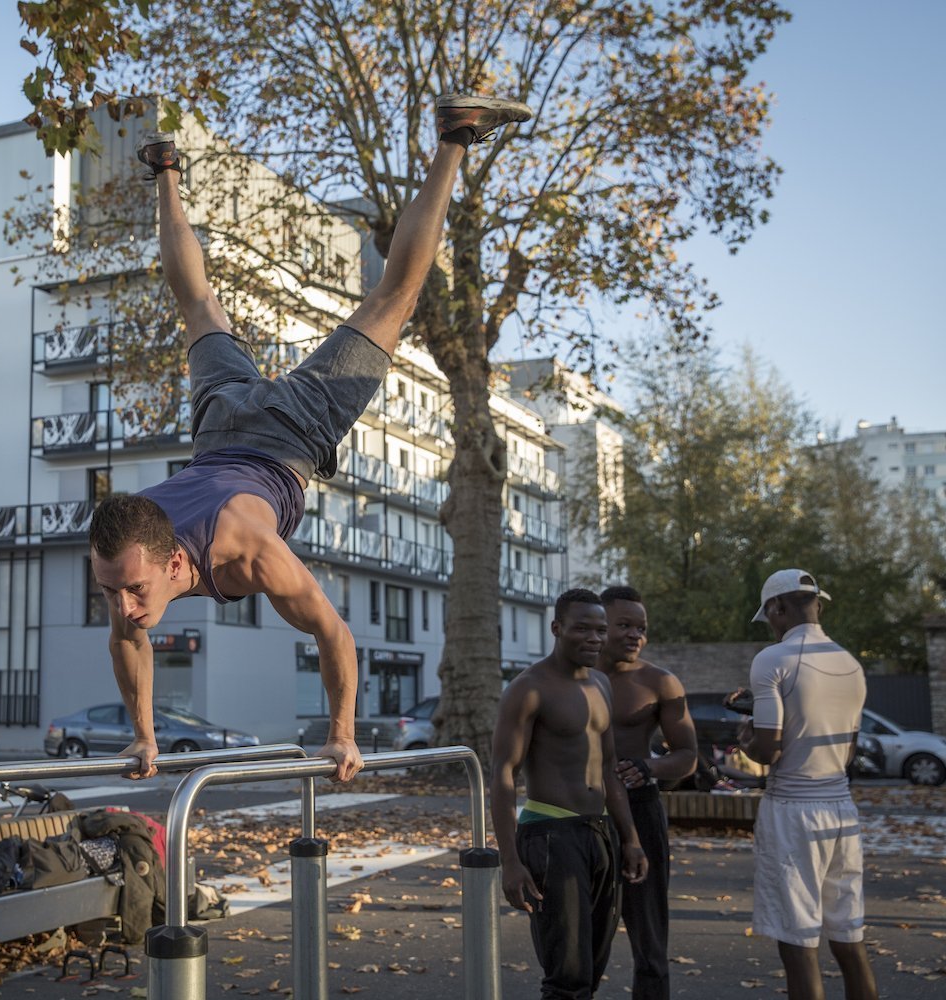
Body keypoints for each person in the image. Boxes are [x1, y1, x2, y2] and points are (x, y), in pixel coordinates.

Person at [88, 93, 534, 782]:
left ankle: (454, 138)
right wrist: (143, 737)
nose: (123, 609)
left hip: (288, 431)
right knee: (197, 304)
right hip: (219, 422)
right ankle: (165, 169)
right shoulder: (132, 555)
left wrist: (342, 734)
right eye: (112, 594)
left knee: (395, 296)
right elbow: (128, 644)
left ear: (177, 564)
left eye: (131, 594)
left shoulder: (248, 547)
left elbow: (334, 633)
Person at [492, 588, 649, 999]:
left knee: (593, 965)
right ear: (557, 628)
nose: (594, 638)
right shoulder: (529, 688)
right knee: (567, 974)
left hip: (598, 834)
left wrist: (630, 838)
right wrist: (510, 861)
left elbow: (610, 770)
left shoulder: (601, 684)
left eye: (600, 629)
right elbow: (503, 775)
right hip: (550, 835)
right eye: (582, 628)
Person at [729, 569, 879, 1000]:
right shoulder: (851, 663)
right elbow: (848, 751)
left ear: (777, 607)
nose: (771, 623)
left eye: (770, 615)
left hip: (793, 810)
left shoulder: (772, 659)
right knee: (849, 938)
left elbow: (768, 750)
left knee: (798, 944)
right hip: (839, 806)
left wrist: (746, 740)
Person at [598, 585, 696, 1000]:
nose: (635, 635)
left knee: (650, 943)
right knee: (581, 945)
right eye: (624, 625)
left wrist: (647, 767)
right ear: (598, 626)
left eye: (641, 627)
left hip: (641, 810)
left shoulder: (660, 682)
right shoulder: (566, 680)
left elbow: (689, 755)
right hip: (581, 812)